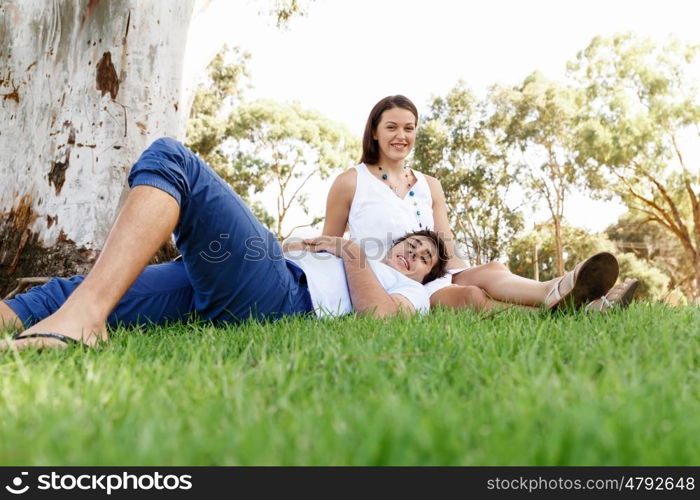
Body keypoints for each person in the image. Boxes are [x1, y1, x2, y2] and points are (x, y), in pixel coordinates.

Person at [0, 138, 450, 350]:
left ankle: (84, 322)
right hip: (231, 280)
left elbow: (382, 319)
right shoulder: (360, 254)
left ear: (426, 274)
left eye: (424, 258)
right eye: (412, 244)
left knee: (173, 158)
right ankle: (38, 315)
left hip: (281, 295)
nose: (414, 254)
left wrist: (349, 250)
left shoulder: (412, 291)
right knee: (69, 291)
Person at [322, 95, 636, 311]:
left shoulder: (429, 185)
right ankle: (576, 302)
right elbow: (329, 243)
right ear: (374, 132)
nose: (401, 135)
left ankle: (566, 289)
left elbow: (446, 247)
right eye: (391, 127)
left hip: (432, 271)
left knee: (492, 270)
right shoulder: (351, 181)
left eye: (409, 127)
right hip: (388, 282)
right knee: (471, 296)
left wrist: (473, 271)